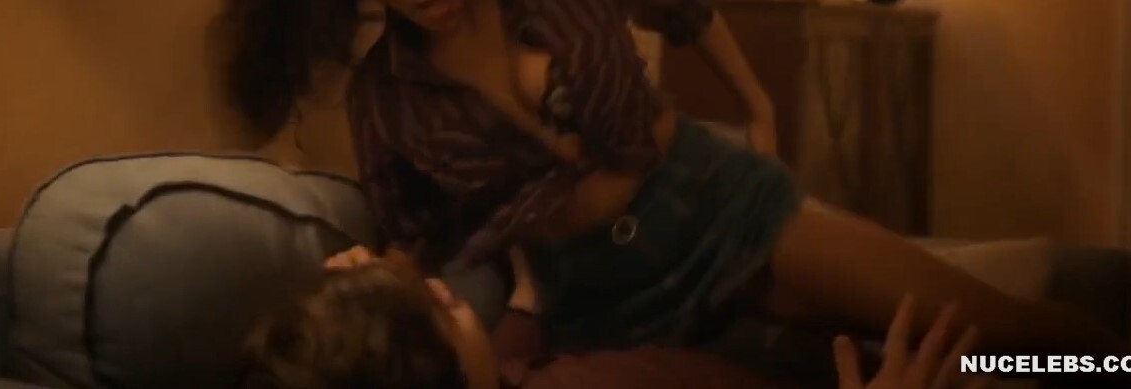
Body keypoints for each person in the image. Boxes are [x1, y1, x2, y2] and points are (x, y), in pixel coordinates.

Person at [211, 0, 1130, 362]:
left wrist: (758, 106)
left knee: (995, 335)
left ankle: (1124, 369)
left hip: (714, 203)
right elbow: (416, 238)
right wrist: (369, 275)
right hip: (600, 300)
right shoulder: (385, 98)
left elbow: (680, 0)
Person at [237, 244, 991, 389]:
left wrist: (365, 294)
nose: (439, 289)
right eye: (437, 310)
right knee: (1014, 360)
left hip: (761, 345)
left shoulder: (493, 364)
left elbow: (515, 329)